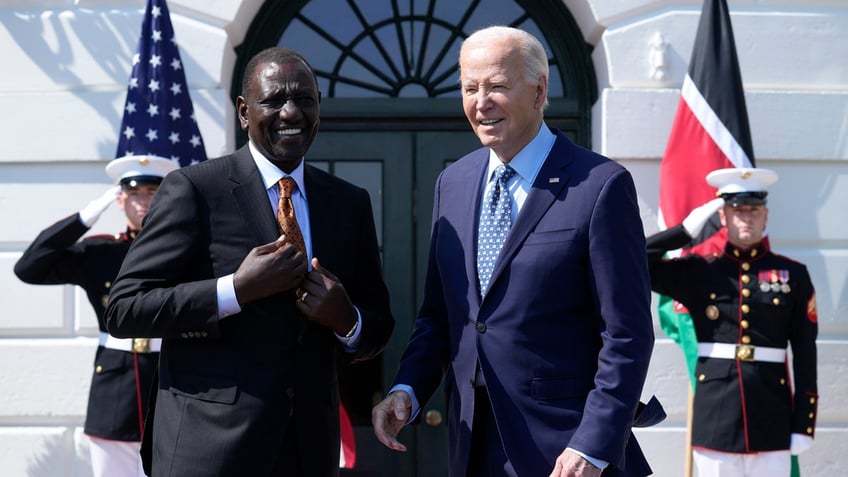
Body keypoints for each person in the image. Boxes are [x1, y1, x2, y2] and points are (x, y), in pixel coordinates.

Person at [372, 26, 662, 477]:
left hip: (567, 452)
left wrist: (593, 445)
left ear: (540, 89)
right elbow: (440, 317)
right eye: (469, 88)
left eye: (497, 86)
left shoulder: (600, 186)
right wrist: (407, 388)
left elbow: (626, 335)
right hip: (472, 445)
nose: (480, 102)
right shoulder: (454, 182)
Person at [104, 46, 394, 477]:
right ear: (243, 112)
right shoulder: (195, 189)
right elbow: (125, 309)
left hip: (310, 452)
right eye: (274, 100)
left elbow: (379, 325)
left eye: (305, 100)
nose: (291, 112)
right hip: (209, 451)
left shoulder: (348, 202)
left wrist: (346, 320)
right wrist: (235, 290)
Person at [646, 167, 818, 477]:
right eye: (737, 210)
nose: (746, 218)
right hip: (716, 418)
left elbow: (805, 353)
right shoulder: (700, 271)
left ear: (765, 216)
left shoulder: (793, 275)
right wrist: (684, 230)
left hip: (772, 417)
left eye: (754, 210)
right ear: (723, 217)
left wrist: (804, 422)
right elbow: (636, 261)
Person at [14, 154, 177, 477]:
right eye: (133, 194)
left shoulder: (182, 249)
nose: (142, 202)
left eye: (152, 193)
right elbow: (28, 267)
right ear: (119, 200)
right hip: (116, 389)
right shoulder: (99, 251)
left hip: (171, 381)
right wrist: (86, 216)